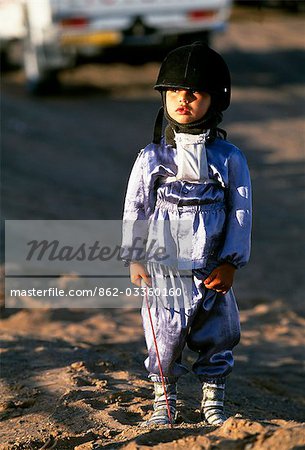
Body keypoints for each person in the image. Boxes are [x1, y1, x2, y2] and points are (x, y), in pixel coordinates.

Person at [121, 42, 252, 427]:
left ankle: (213, 400)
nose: (185, 98)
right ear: (164, 97)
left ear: (217, 100)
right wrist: (135, 256)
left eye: (196, 92)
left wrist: (230, 263)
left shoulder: (230, 158)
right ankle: (164, 400)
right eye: (175, 91)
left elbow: (241, 212)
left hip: (213, 267)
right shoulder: (152, 157)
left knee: (219, 333)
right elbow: (136, 207)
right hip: (165, 267)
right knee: (163, 334)